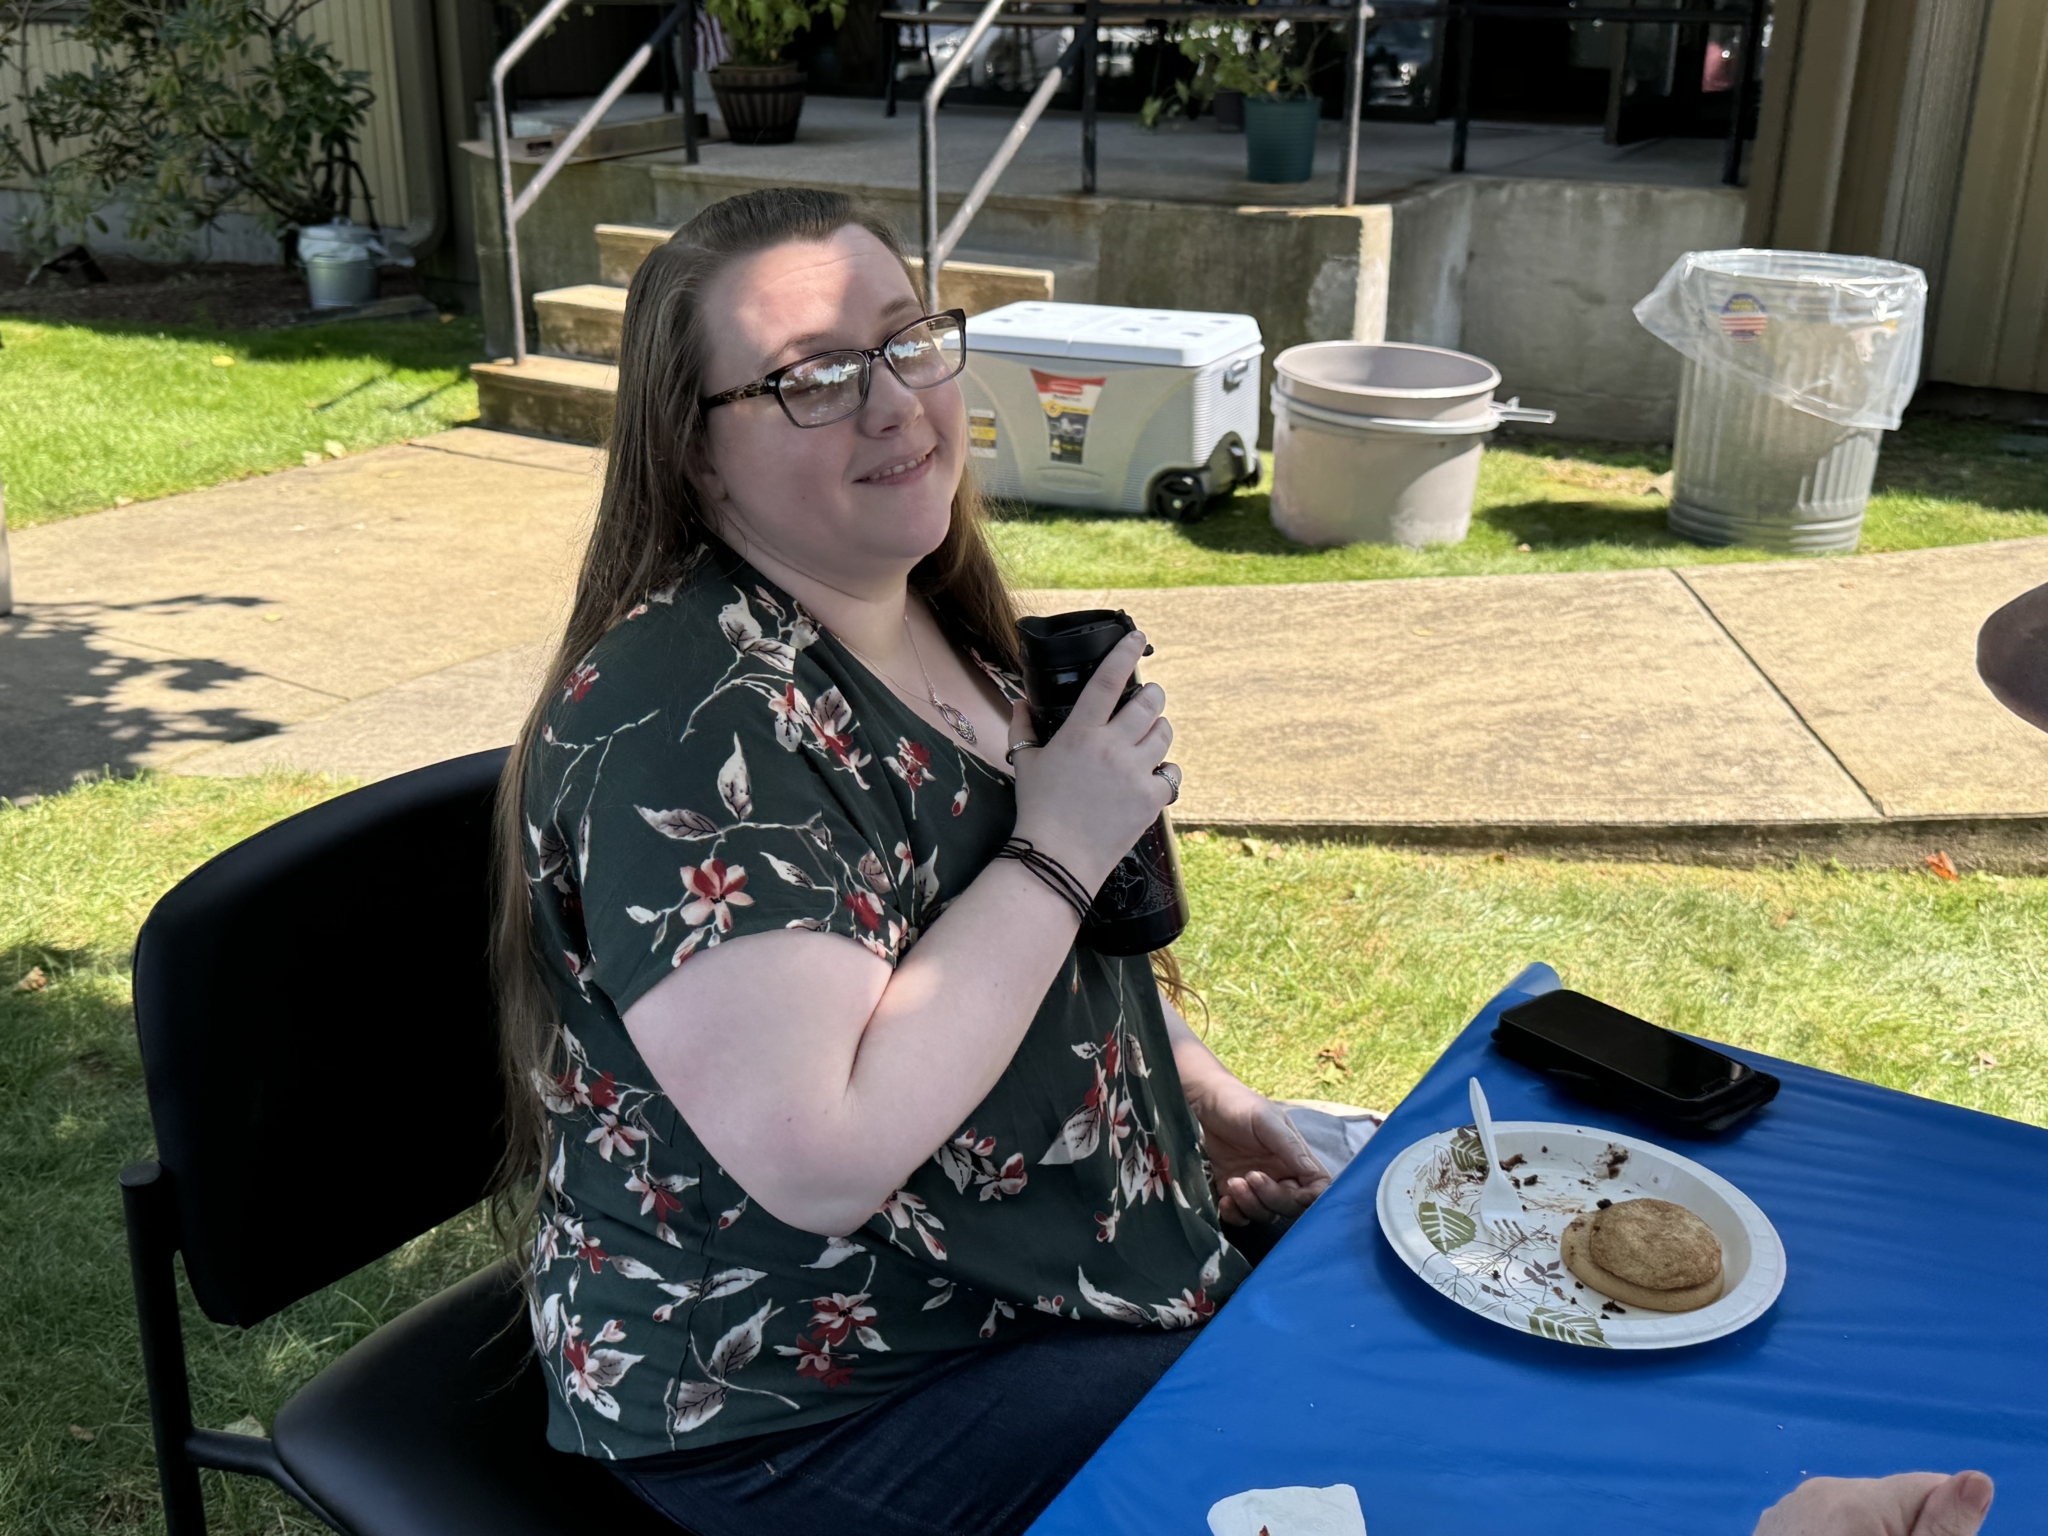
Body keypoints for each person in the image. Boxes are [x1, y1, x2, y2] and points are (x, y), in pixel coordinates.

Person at [489, 187, 1333, 1536]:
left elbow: (1006, 965)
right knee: (1323, 1440)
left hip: (1020, 1281)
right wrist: (1061, 848)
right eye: (814, 377)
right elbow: (820, 1158)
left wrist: (1194, 1091)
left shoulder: (929, 615)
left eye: (905, 342)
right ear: (693, 451)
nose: (893, 405)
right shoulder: (687, 724)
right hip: (808, 1388)